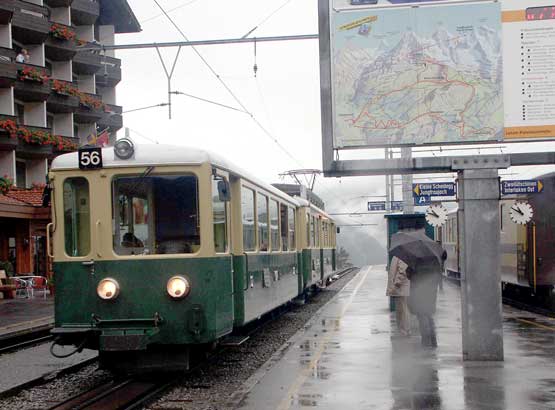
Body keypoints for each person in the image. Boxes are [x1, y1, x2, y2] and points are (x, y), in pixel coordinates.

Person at [407, 250, 447, 348]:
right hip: (431, 292)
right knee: (429, 315)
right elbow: (438, 274)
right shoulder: (435, 260)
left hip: (418, 291)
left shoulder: (416, 259)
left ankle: (425, 341)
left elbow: (409, 274)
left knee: (422, 316)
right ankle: (433, 341)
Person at [387, 256, 411, 337]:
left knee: (402, 310)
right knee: (400, 310)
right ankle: (403, 329)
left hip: (400, 287)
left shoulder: (401, 255)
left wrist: (397, 282)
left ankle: (405, 330)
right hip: (399, 287)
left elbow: (403, 270)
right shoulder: (398, 255)